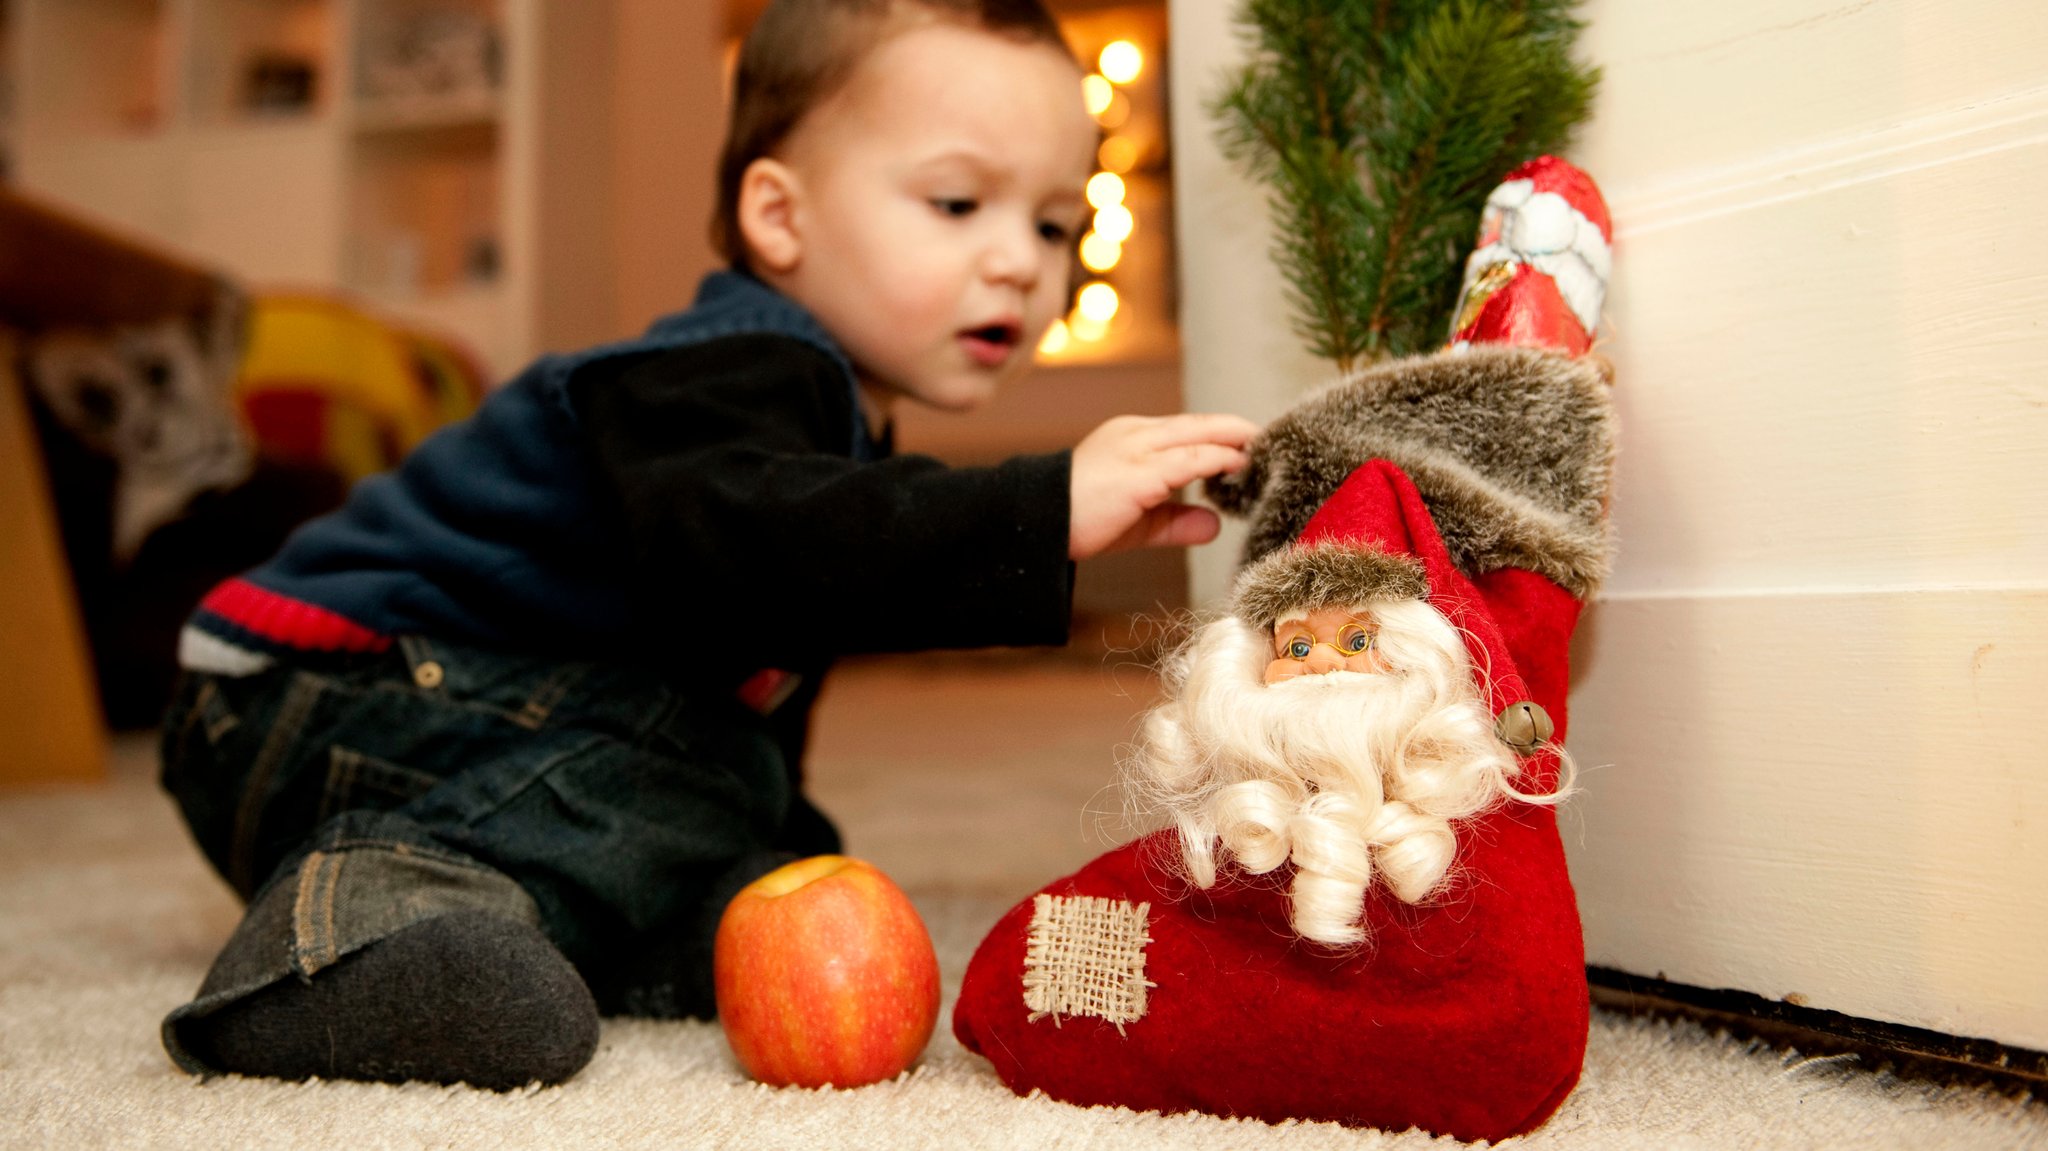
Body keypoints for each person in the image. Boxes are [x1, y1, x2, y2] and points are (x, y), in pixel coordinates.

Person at [157, 0, 1258, 1092]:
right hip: (309, 697)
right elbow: (773, 553)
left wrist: (772, 850)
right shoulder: (715, 373)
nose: (1019, 260)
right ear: (779, 216)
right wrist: (1040, 502)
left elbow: (771, 649)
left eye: (1054, 224)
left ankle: (629, 931)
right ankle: (342, 934)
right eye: (958, 201)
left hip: (454, 715)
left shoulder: (826, 407)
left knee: (750, 812)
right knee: (695, 770)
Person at [951, 156, 1617, 1143]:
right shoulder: (1241, 840)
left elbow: (1522, 1025)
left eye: (1354, 636)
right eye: (1290, 642)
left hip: (1491, 1013)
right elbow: (1012, 976)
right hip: (1271, 905)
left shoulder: (1472, 783)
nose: (1315, 666)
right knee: (1062, 957)